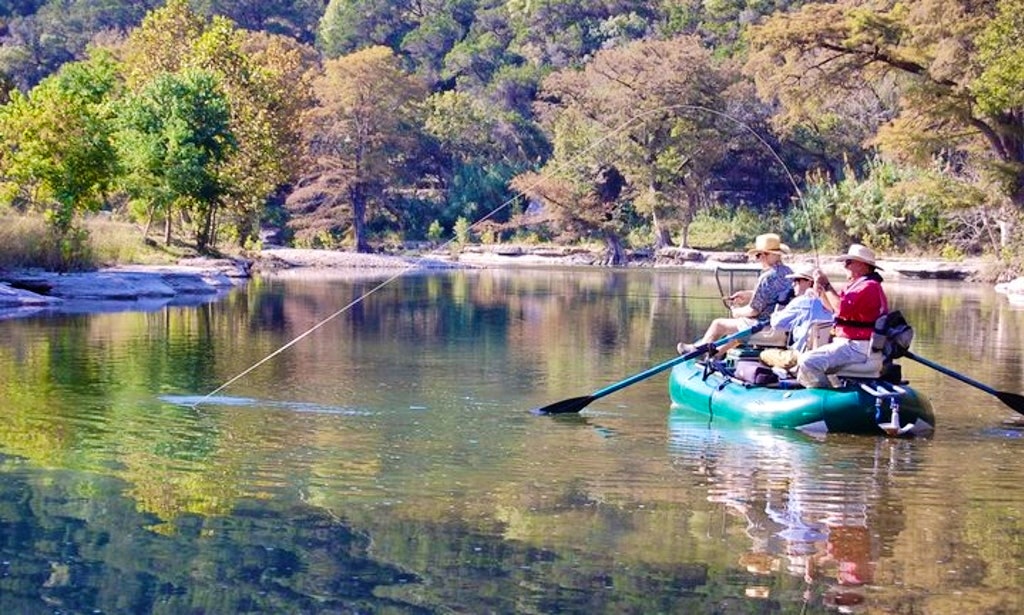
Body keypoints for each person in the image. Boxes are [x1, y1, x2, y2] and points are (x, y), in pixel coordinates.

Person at [678, 233, 793, 355]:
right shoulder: (789, 273)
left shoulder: (767, 278)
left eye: (758, 255)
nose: (758, 258)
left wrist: (736, 312)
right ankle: (717, 354)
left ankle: (696, 351)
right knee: (737, 327)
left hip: (764, 327)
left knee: (718, 324)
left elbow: (753, 311)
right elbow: (774, 296)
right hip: (782, 329)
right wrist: (748, 295)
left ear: (766, 255)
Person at [796, 244, 888, 388]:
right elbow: (831, 308)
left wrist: (827, 285)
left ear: (862, 265)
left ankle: (824, 397)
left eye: (848, 262)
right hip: (848, 344)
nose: (845, 266)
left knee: (807, 361)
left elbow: (840, 309)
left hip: (857, 347)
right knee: (812, 359)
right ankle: (833, 390)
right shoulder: (856, 285)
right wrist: (821, 290)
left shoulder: (868, 287)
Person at [759, 265, 834, 370]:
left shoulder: (801, 301)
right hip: (825, 355)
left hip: (800, 355)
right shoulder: (831, 303)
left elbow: (776, 324)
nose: (793, 284)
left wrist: (777, 311)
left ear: (809, 282)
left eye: (797, 280)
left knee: (764, 354)